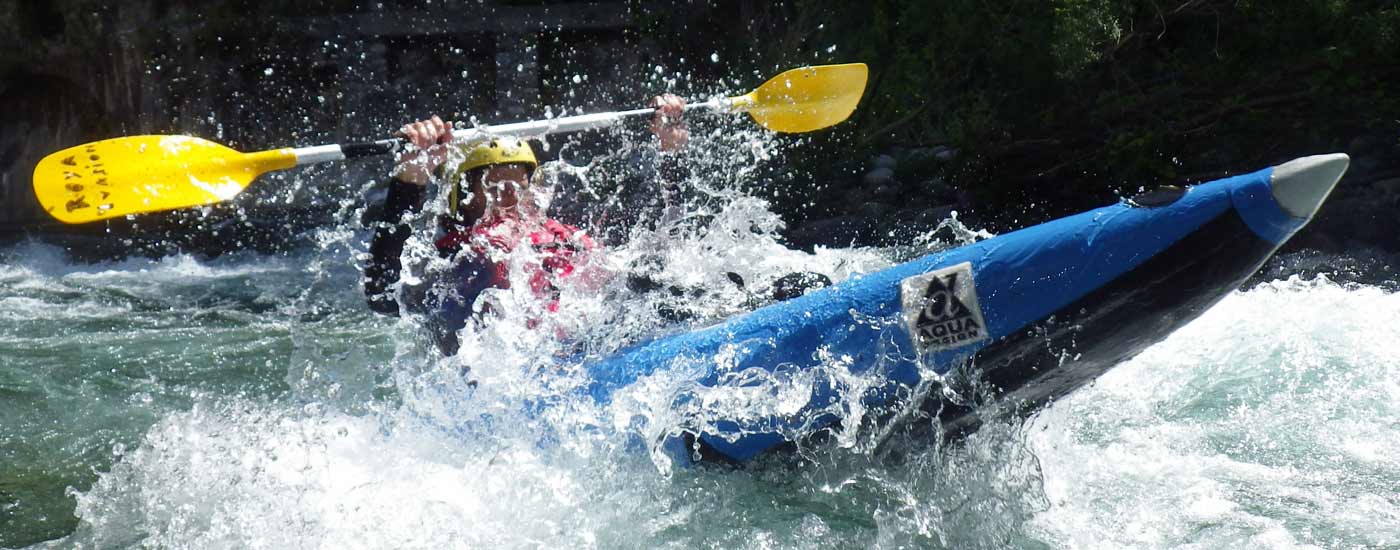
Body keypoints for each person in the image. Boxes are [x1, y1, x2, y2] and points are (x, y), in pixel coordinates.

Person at [364, 96, 692, 354]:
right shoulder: (458, 258)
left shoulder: (555, 238)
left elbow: (653, 258)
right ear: (462, 201)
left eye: (519, 185)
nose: (510, 198)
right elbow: (383, 294)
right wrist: (411, 180)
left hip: (584, 351)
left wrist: (672, 153)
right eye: (493, 186)